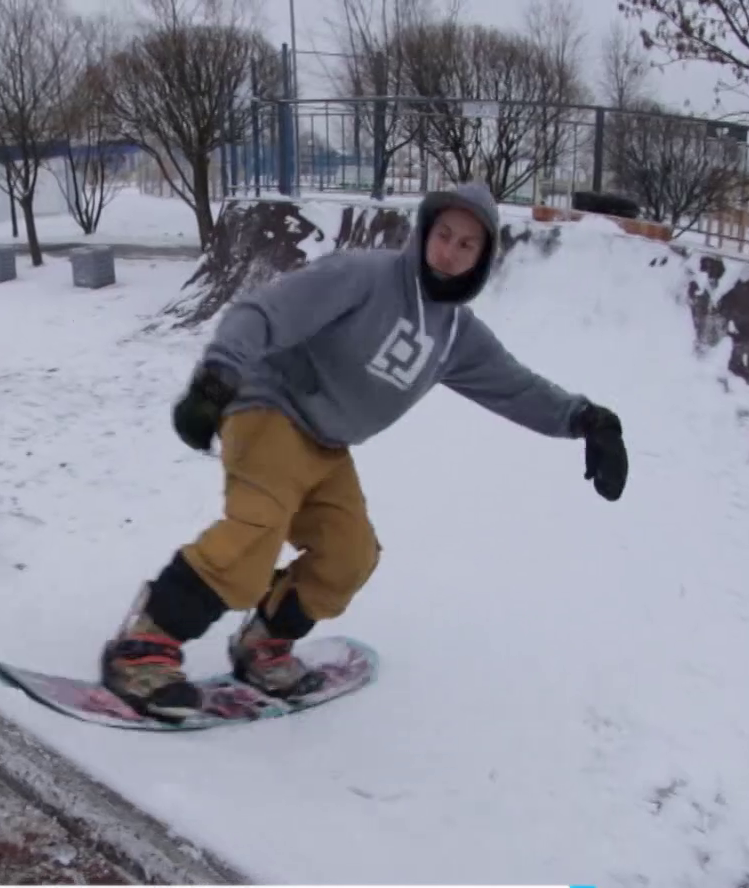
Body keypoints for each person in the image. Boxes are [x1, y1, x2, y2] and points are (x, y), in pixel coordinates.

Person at [101, 182, 629, 720]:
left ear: (481, 259)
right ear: (425, 231)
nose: (449, 250)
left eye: (466, 245)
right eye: (443, 234)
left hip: (327, 446)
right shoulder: (365, 276)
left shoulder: (455, 336)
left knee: (349, 555)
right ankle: (144, 646)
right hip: (270, 409)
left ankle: (263, 643)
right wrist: (215, 383)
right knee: (256, 530)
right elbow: (262, 313)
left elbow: (517, 387)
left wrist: (589, 421)